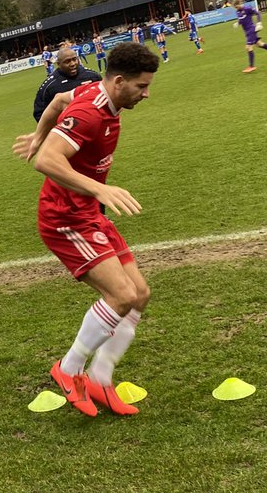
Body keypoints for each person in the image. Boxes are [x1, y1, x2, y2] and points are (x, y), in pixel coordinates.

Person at [12, 42, 161, 417]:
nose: (147, 94)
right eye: (141, 87)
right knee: (121, 294)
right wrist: (100, 187)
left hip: (88, 213)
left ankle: (100, 377)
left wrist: (38, 134)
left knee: (139, 293)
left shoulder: (94, 91)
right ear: (120, 81)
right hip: (65, 217)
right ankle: (68, 368)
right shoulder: (91, 112)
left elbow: (59, 101)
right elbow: (46, 161)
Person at [32, 45, 102, 121]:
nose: (72, 64)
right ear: (58, 64)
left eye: (74, 59)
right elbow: (39, 113)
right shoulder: (49, 85)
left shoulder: (92, 76)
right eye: (67, 61)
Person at [228, 0, 267, 73]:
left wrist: (259, 23)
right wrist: (237, 23)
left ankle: (251, 66)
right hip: (247, 31)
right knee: (259, 44)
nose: (236, 8)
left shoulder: (247, 8)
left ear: (240, 4)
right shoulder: (237, 11)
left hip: (251, 29)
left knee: (248, 47)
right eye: (235, 7)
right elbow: (241, 20)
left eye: (237, 6)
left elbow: (258, 13)